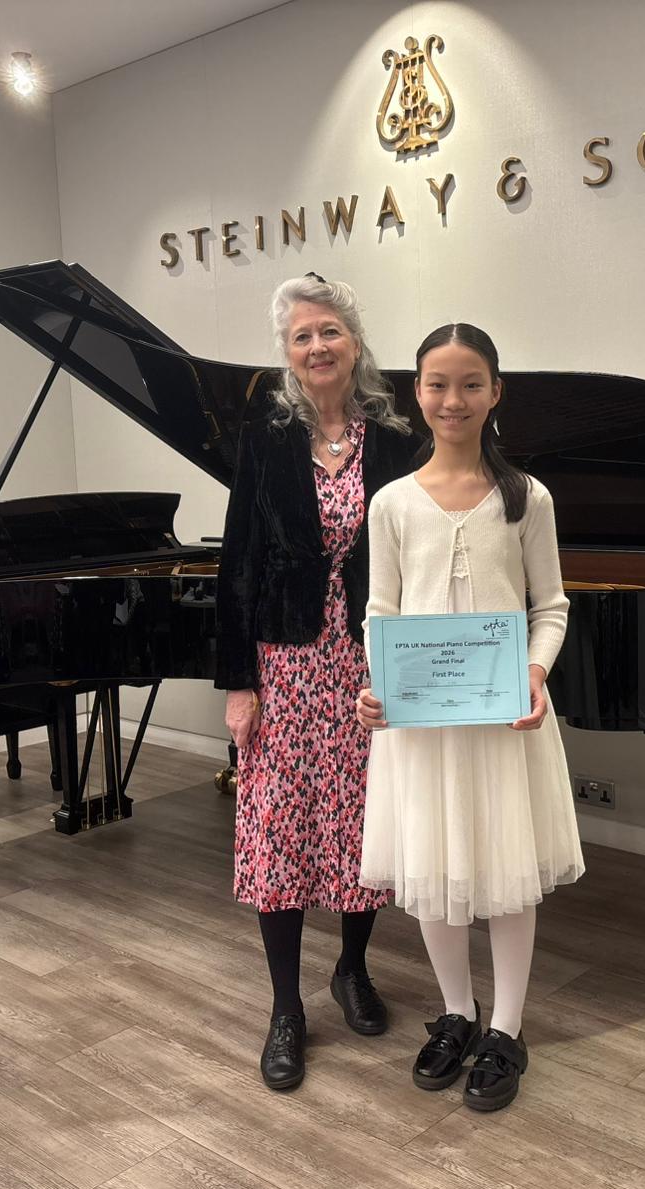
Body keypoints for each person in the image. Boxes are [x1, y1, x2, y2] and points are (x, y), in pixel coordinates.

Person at [356, 322, 585, 1113]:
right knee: (434, 869)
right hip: (421, 727)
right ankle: (456, 1011)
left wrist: (534, 671)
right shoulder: (391, 503)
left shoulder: (527, 498)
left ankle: (507, 1026)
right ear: (416, 392)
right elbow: (380, 612)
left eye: (470, 383)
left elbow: (551, 607)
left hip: (503, 724)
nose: (452, 399)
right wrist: (377, 683)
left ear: (495, 392)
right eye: (436, 384)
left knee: (508, 872)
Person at [216, 273, 420, 1092]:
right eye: (302, 336)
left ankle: (353, 967)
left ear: (354, 340)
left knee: (363, 820)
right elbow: (237, 562)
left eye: (329, 330)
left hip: (369, 659)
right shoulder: (266, 439)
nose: (317, 346)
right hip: (287, 661)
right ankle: (284, 1010)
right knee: (283, 829)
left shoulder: (396, 437)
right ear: (288, 354)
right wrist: (239, 683)